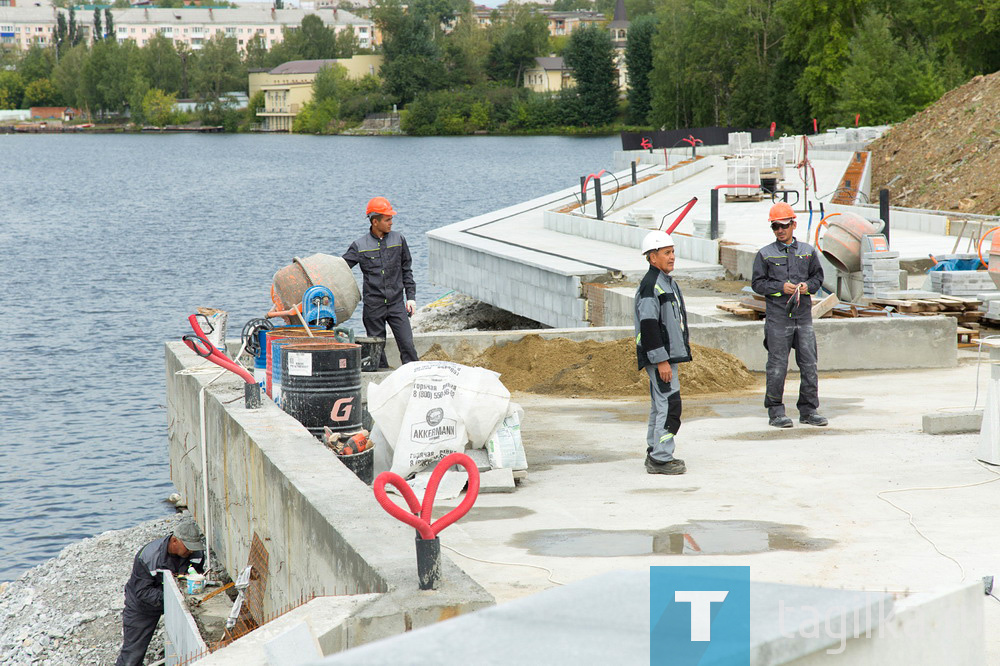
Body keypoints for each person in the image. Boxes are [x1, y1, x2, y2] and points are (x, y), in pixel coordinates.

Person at [751, 202, 828, 428]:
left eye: (783, 226)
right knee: (777, 365)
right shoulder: (765, 254)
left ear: (793, 224)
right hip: (778, 318)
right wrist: (778, 288)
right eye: (775, 227)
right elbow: (757, 283)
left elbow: (818, 279)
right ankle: (776, 412)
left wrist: (808, 286)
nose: (780, 231)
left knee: (809, 363)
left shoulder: (807, 252)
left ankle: (808, 410)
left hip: (802, 317)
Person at [635, 230, 691, 475]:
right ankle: (661, 458)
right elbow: (648, 326)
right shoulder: (651, 286)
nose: (672, 257)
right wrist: (661, 361)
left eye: (673, 252)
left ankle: (654, 450)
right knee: (670, 405)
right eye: (667, 253)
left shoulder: (665, 282)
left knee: (661, 405)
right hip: (661, 358)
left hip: (665, 356)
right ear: (652, 258)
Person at [115, 518, 205, 666]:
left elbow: (197, 574)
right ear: (175, 541)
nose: (191, 551)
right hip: (142, 606)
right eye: (188, 547)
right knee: (132, 654)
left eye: (194, 547)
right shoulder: (149, 556)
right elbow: (142, 591)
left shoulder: (196, 554)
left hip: (176, 601)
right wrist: (171, 598)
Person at [343, 196, 418, 368]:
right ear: (375, 221)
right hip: (373, 307)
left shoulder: (399, 240)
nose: (391, 222)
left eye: (391, 218)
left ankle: (414, 375)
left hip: (397, 304)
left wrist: (411, 297)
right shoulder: (359, 245)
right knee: (377, 354)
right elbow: (341, 269)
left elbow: (407, 270)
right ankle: (383, 380)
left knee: (407, 345)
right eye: (388, 219)